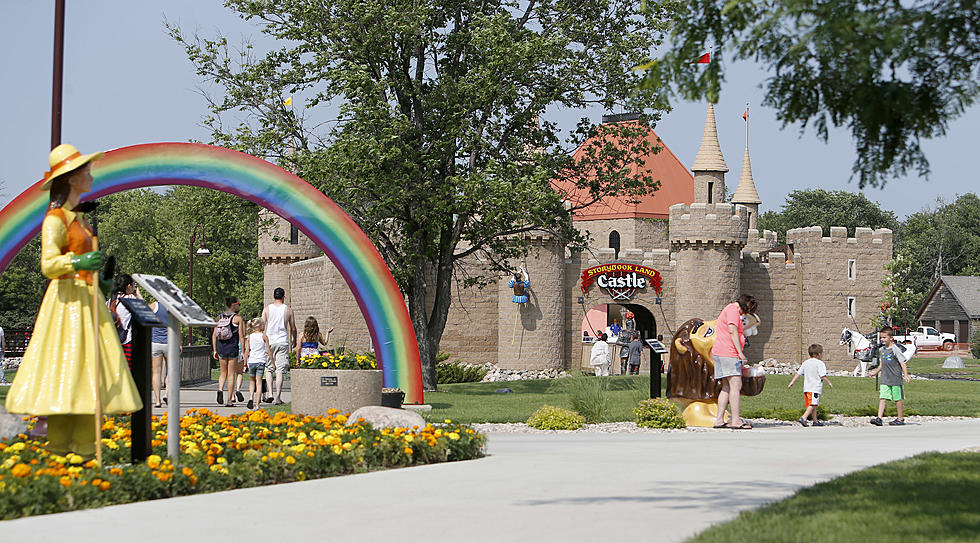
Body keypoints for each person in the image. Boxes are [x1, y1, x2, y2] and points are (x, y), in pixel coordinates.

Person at [4, 144, 141, 457]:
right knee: (68, 369)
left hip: (87, 300)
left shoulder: (79, 220)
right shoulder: (55, 220)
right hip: (67, 304)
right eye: (85, 171)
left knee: (86, 373)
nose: (90, 175)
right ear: (70, 178)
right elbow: (49, 264)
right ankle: (60, 448)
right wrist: (78, 264)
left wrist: (101, 282)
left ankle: (83, 449)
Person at [711, 294, 758, 430]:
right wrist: (740, 353)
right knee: (736, 385)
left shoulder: (729, 309)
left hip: (721, 352)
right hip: (728, 353)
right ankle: (736, 420)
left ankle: (719, 420)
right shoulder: (732, 310)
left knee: (727, 386)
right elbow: (733, 332)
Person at [869, 327, 911, 426]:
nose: (882, 339)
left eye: (884, 337)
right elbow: (882, 364)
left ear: (890, 337)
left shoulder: (895, 349)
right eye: (881, 338)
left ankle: (900, 419)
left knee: (897, 399)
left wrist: (906, 374)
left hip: (895, 379)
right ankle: (879, 418)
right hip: (885, 379)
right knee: (882, 397)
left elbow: (902, 362)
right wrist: (875, 372)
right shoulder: (882, 350)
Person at [262, 287, 297, 405]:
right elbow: (293, 327)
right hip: (282, 341)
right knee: (280, 370)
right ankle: (278, 397)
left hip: (269, 341)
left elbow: (262, 326)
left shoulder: (267, 309)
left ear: (273, 296)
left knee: (268, 368)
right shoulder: (288, 310)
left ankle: (270, 393)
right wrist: (294, 339)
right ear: (283, 297)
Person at [787, 344, 834, 426]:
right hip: (815, 388)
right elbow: (822, 375)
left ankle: (815, 421)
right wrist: (829, 382)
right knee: (813, 404)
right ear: (819, 354)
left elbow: (798, 373)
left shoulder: (806, 362)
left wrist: (792, 382)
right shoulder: (820, 363)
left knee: (813, 405)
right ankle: (804, 417)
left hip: (807, 388)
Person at [212, 296, 245, 407]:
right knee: (231, 374)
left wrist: (215, 349)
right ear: (233, 305)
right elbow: (241, 336)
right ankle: (229, 401)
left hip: (221, 347)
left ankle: (220, 389)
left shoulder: (219, 318)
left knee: (223, 373)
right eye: (238, 304)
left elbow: (214, 334)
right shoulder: (237, 319)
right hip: (232, 348)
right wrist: (244, 351)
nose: (239, 306)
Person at [108, 274, 141, 367]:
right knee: (126, 371)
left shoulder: (111, 301)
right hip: (125, 340)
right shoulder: (130, 299)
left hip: (112, 339)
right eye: (134, 284)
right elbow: (144, 313)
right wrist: (138, 296)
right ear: (129, 286)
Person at [242, 317, 274, 410]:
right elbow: (268, 350)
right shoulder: (264, 336)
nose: (264, 326)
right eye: (263, 324)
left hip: (251, 361)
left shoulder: (249, 337)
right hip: (261, 361)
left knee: (252, 381)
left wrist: (245, 364)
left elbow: (247, 351)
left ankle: (251, 397)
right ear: (259, 326)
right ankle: (257, 404)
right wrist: (272, 362)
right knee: (259, 383)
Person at [149, 299, 170, 407]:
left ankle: (157, 400)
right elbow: (177, 326)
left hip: (155, 343)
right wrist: (179, 343)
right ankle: (167, 393)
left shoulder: (154, 306)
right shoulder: (172, 306)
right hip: (169, 342)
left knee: (157, 372)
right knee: (170, 371)